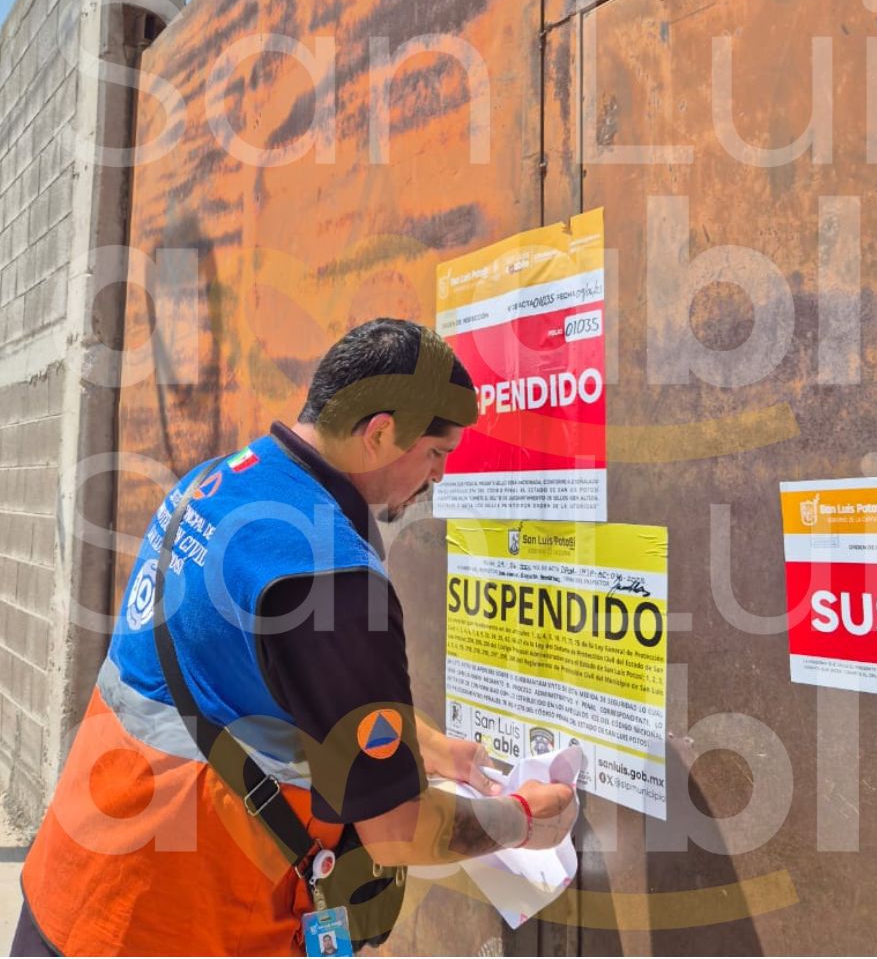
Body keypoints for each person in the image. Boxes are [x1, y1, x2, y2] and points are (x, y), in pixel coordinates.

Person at [12, 319, 577, 956]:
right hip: (179, 920)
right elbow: (396, 831)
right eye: (437, 455)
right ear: (382, 432)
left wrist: (439, 750)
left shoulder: (220, 480)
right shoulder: (329, 577)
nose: (438, 478)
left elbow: (277, 677)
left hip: (72, 884)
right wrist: (524, 819)